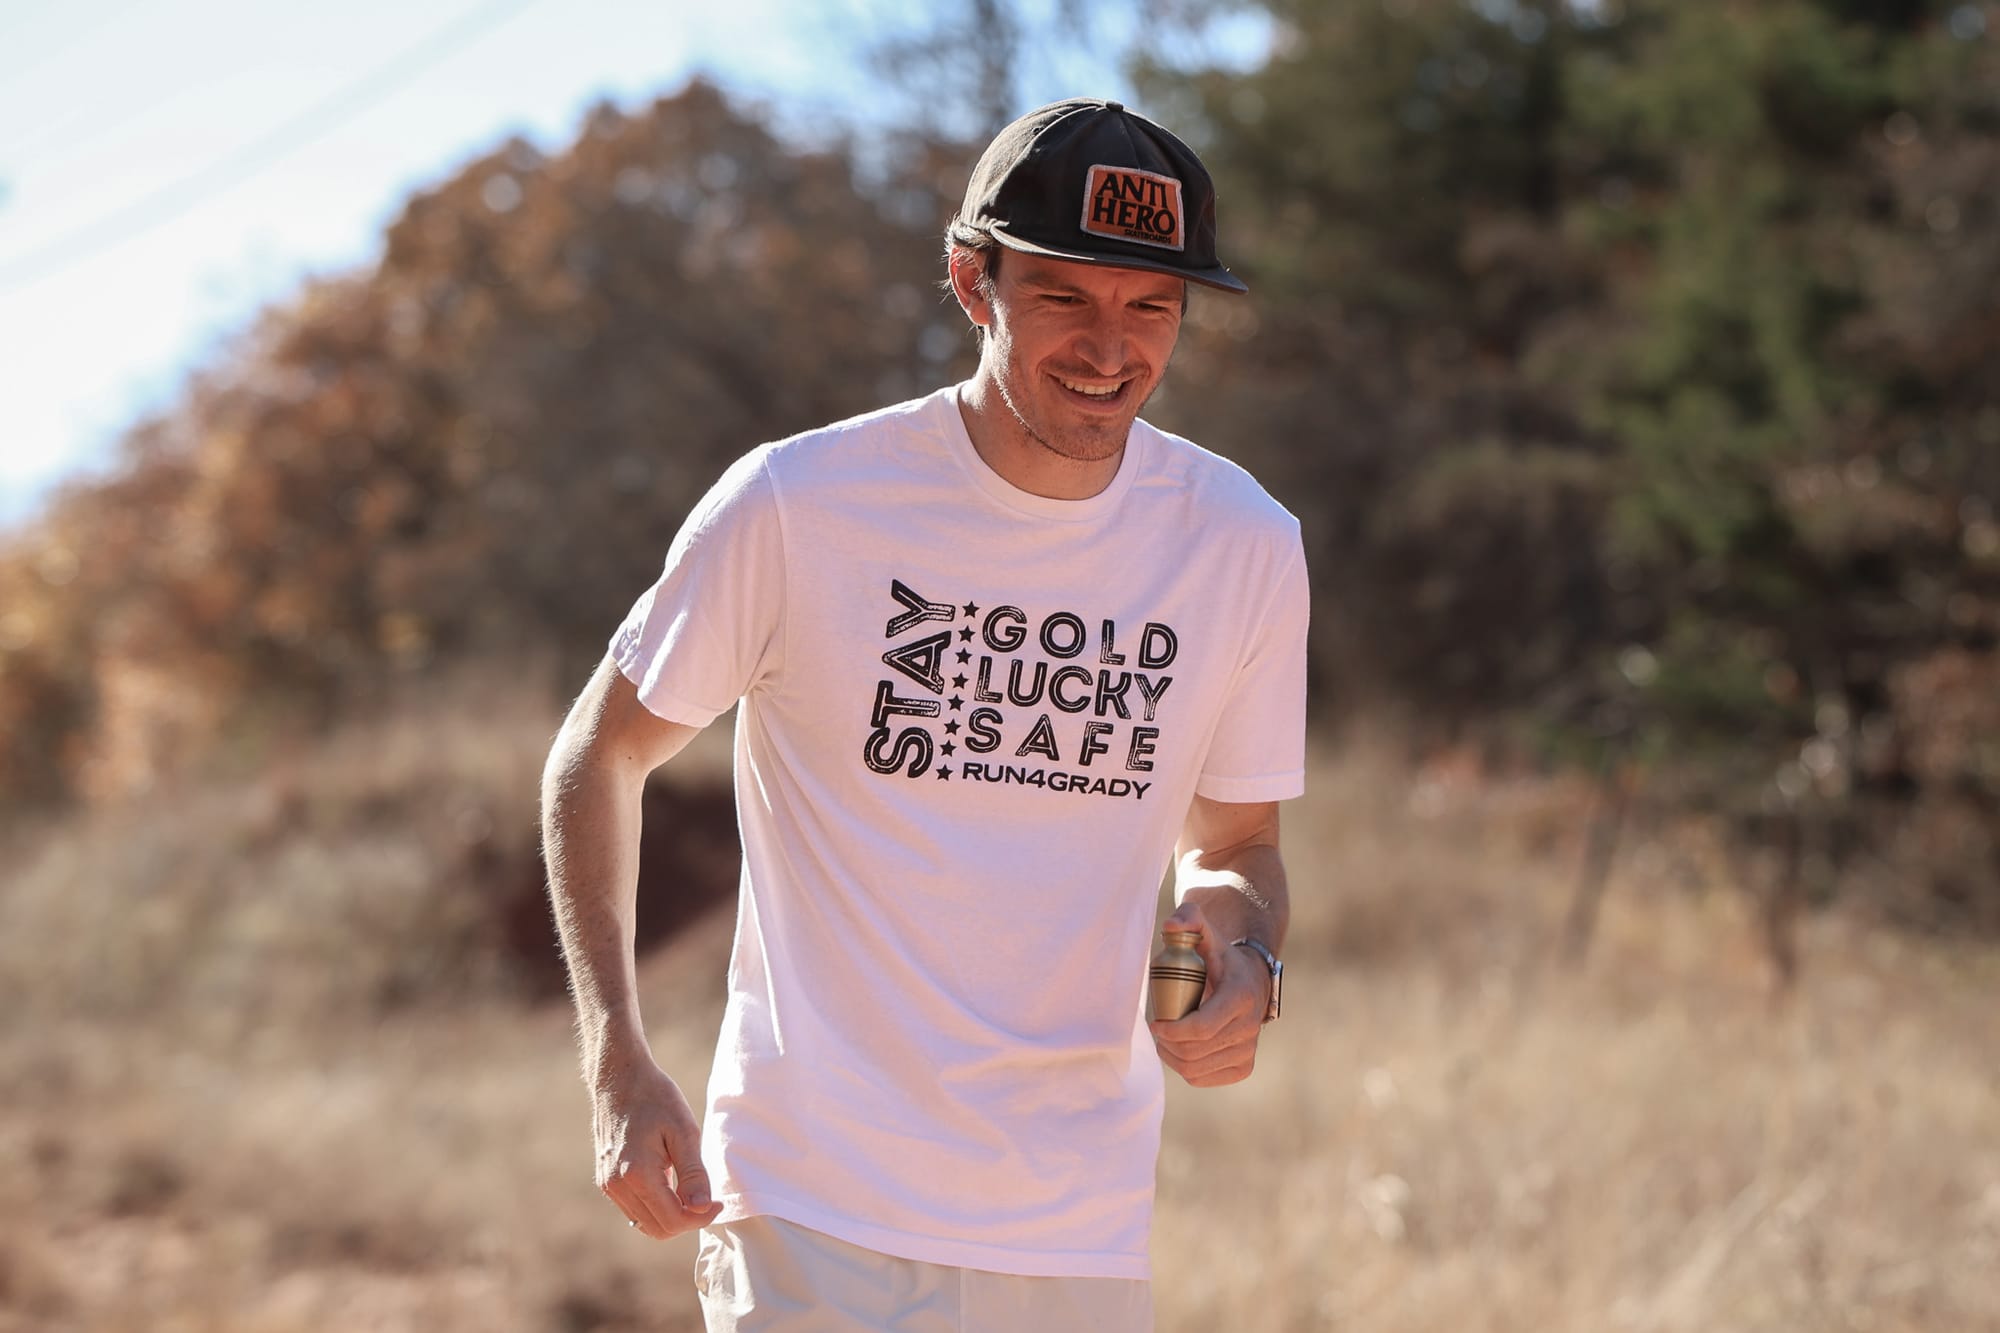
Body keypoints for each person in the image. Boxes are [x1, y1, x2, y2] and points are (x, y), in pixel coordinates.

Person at [540, 97, 1307, 1331]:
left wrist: (1247, 958)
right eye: (1064, 296)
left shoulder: (1242, 545)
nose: (1110, 346)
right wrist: (615, 1060)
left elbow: (1232, 846)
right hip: (812, 1205)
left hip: (1075, 1222)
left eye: (1150, 306)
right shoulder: (802, 503)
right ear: (971, 282)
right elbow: (600, 755)